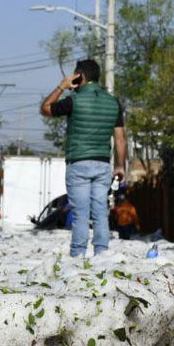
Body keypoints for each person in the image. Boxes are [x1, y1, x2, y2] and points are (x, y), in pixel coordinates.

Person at [41, 59, 127, 257]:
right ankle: (102, 253)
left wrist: (62, 86)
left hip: (78, 163)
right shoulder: (113, 103)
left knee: (80, 213)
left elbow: (45, 108)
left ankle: (78, 254)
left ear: (80, 76)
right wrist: (120, 166)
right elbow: (120, 139)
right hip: (102, 164)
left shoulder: (74, 101)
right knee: (100, 212)